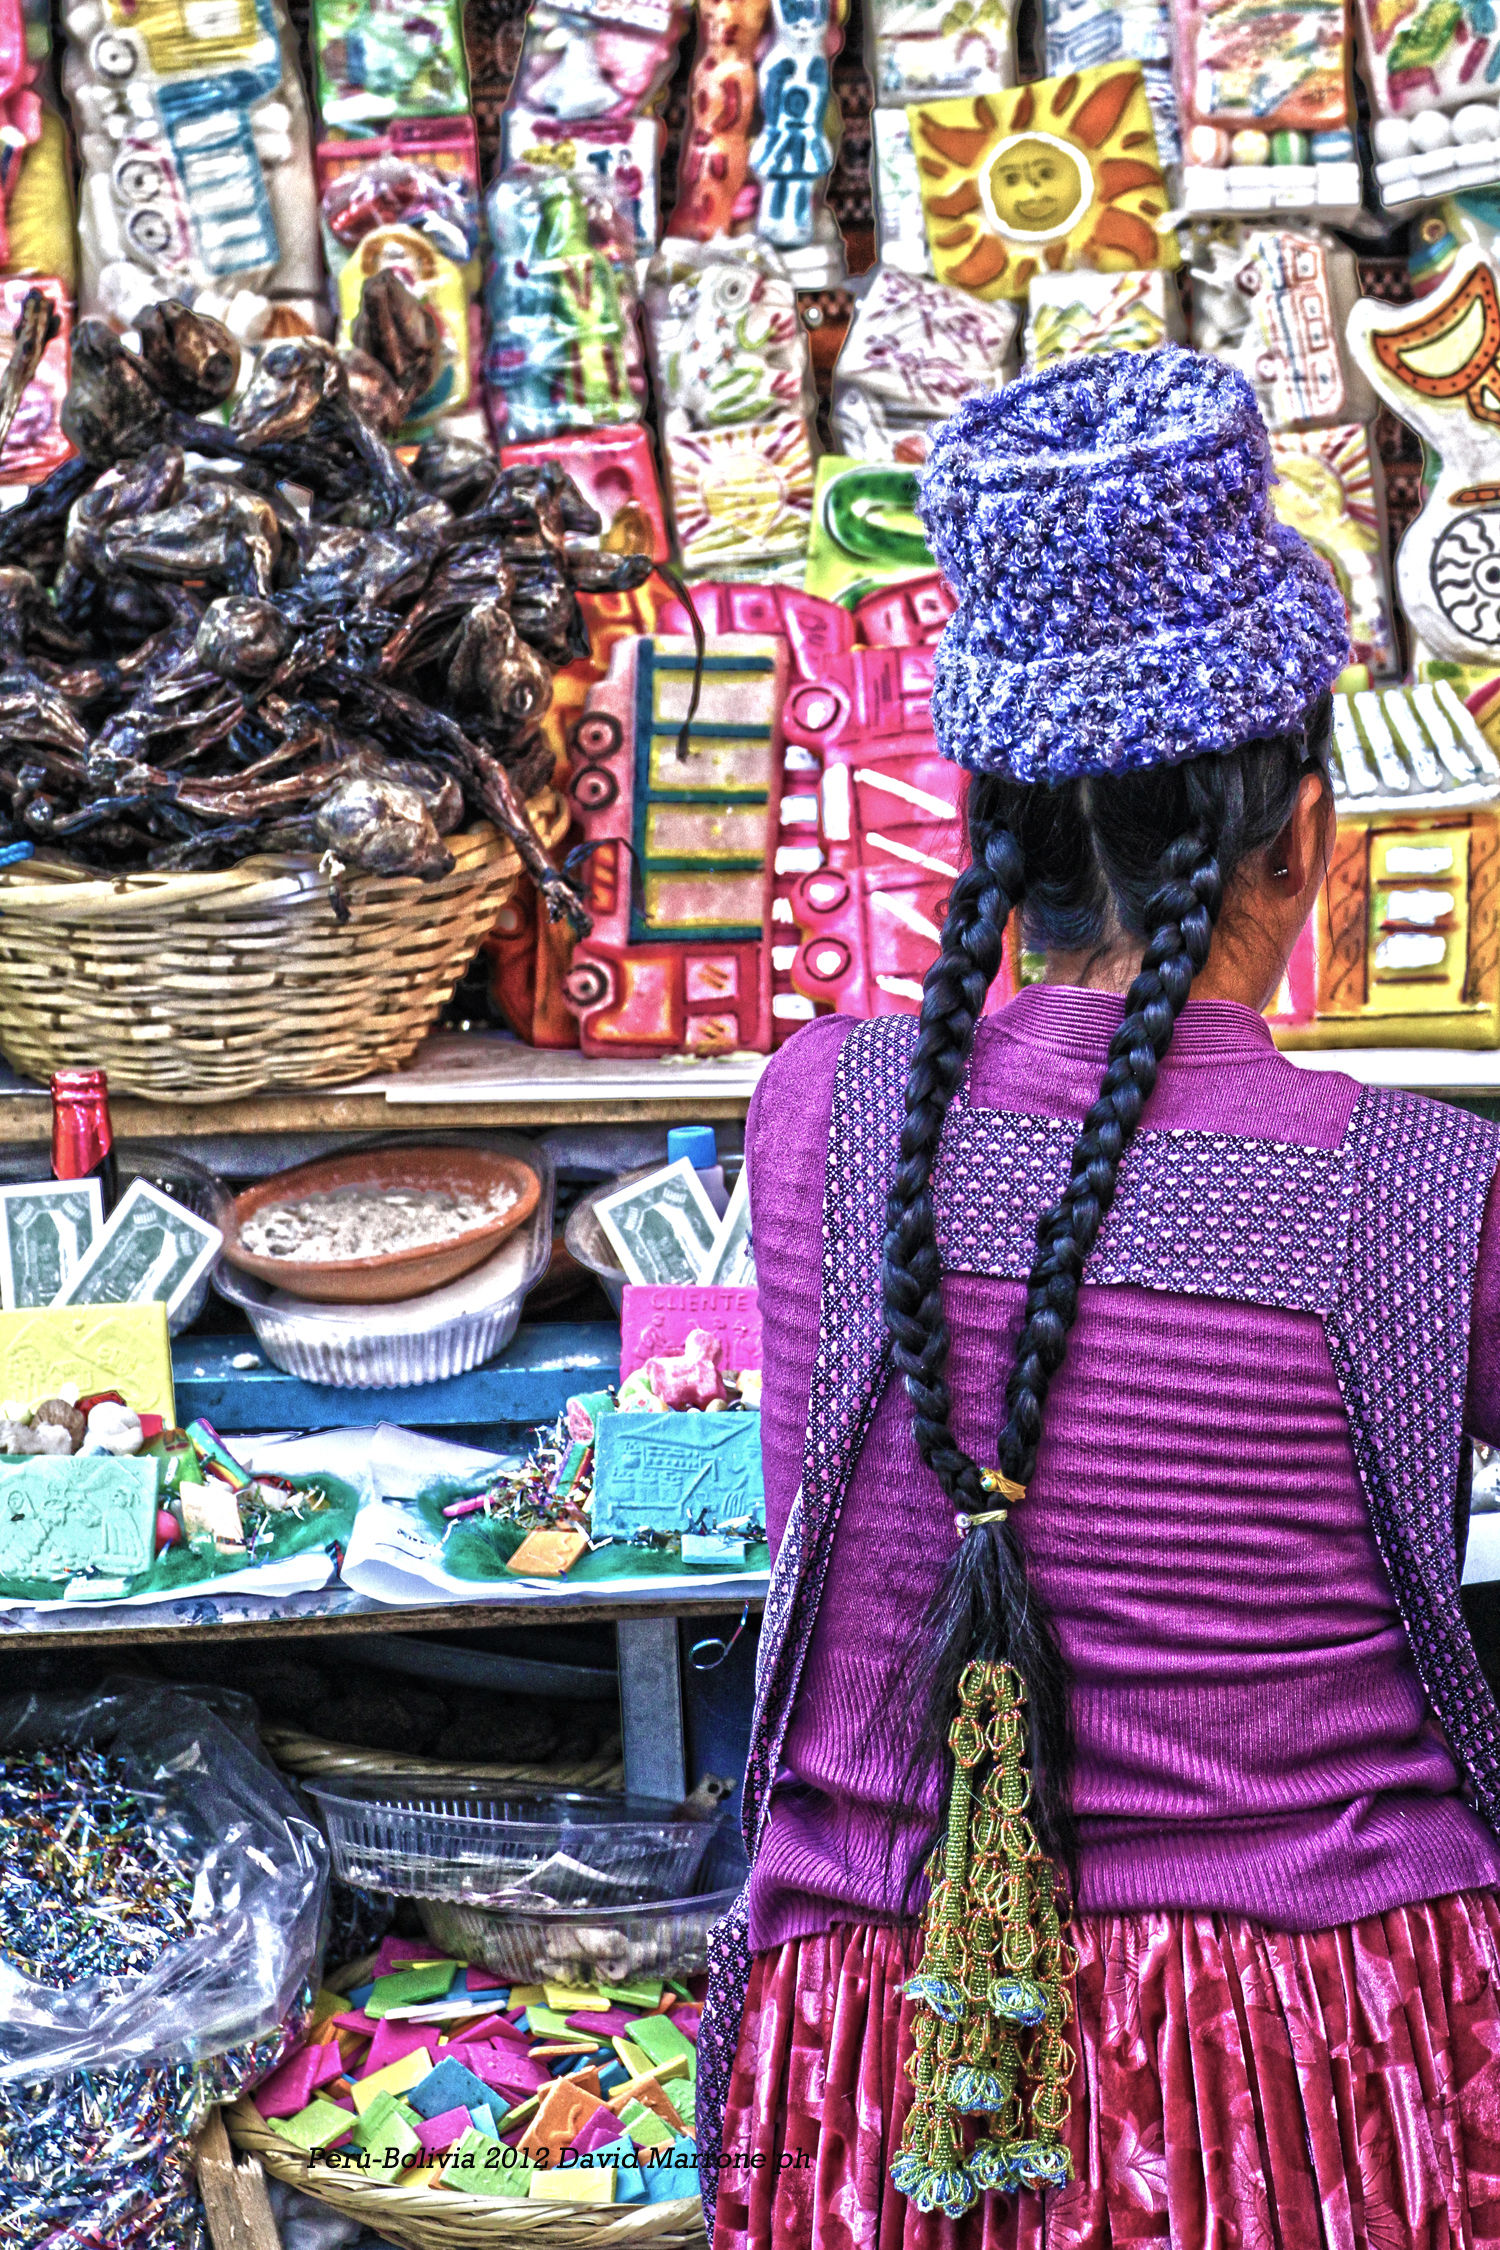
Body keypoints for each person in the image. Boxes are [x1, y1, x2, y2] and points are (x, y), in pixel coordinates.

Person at [696, 347, 1500, 2249]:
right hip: (1323, 2061)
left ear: (994, 827)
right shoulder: (1418, 1192)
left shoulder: (820, 1111)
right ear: (1305, 831)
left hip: (898, 2064)